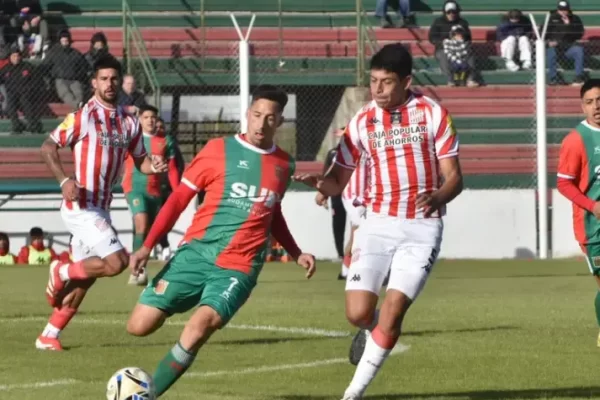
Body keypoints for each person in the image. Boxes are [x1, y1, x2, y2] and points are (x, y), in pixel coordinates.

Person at [293, 43, 463, 399]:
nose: (378, 89)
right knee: (358, 313)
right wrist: (320, 183)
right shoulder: (362, 121)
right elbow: (338, 181)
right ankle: (374, 331)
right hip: (377, 224)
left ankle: (352, 394)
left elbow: (455, 178)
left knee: (393, 310)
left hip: (421, 228)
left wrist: (437, 197)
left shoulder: (433, 114)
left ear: (406, 81)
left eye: (386, 82)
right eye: (373, 81)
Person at [125, 84, 317, 397]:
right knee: (139, 326)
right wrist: (147, 246)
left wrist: (295, 252)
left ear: (280, 121)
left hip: (239, 265)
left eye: (270, 118)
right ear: (248, 113)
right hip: (196, 253)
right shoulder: (217, 149)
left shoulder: (284, 164)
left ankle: (148, 394)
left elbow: (272, 212)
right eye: (257, 115)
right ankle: (186, 296)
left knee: (201, 325)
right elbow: (178, 200)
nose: (261, 123)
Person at [34, 55, 168, 351]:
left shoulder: (129, 122)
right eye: (104, 78)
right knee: (117, 262)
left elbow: (142, 162)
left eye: (114, 78)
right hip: (81, 206)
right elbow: (48, 147)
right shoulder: (83, 116)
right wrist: (64, 181)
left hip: (101, 208)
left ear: (120, 82)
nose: (109, 83)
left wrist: (154, 165)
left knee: (86, 280)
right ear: (94, 82)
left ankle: (48, 336)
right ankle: (61, 271)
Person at [556, 78, 600, 346]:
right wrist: (593, 206)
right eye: (590, 102)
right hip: (593, 228)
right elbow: (564, 183)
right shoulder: (575, 140)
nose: (596, 106)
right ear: (583, 107)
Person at [122, 105, 180, 286]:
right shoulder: (132, 138)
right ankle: (135, 271)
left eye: (153, 117)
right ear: (140, 119)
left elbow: (172, 169)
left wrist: (177, 191)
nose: (150, 120)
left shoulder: (166, 141)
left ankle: (141, 267)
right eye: (146, 117)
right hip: (133, 187)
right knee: (142, 222)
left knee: (149, 231)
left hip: (154, 191)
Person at [316, 128, 368, 280]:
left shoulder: (371, 148)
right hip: (353, 197)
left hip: (368, 197)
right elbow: (332, 172)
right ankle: (350, 269)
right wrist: (324, 192)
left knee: (359, 234)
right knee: (357, 233)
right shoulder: (341, 153)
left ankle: (346, 270)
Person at [546, 0, 585, 86]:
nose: (563, 12)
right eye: (561, 10)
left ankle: (579, 77)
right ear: (557, 9)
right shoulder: (550, 18)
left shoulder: (575, 18)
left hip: (568, 47)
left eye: (565, 9)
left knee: (579, 50)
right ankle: (553, 78)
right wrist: (548, 42)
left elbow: (579, 34)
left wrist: (568, 25)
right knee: (551, 51)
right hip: (554, 47)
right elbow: (543, 33)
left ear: (568, 9)